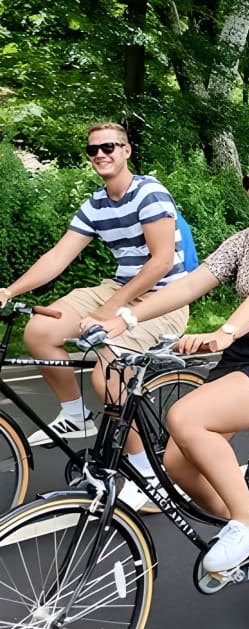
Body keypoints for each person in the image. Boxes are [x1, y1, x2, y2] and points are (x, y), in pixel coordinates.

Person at [89, 144, 249, 573]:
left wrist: (224, 332)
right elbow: (189, 286)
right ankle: (240, 535)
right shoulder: (242, 242)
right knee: (176, 463)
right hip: (245, 353)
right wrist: (125, 317)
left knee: (184, 418)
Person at [0, 121, 190, 510]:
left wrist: (108, 312)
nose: (100, 154)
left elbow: (161, 262)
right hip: (118, 286)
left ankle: (149, 476)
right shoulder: (96, 204)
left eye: (109, 147)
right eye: (93, 150)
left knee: (109, 374)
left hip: (165, 297)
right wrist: (9, 290)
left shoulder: (149, 193)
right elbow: (58, 257)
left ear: (126, 151)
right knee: (40, 331)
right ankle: (76, 414)